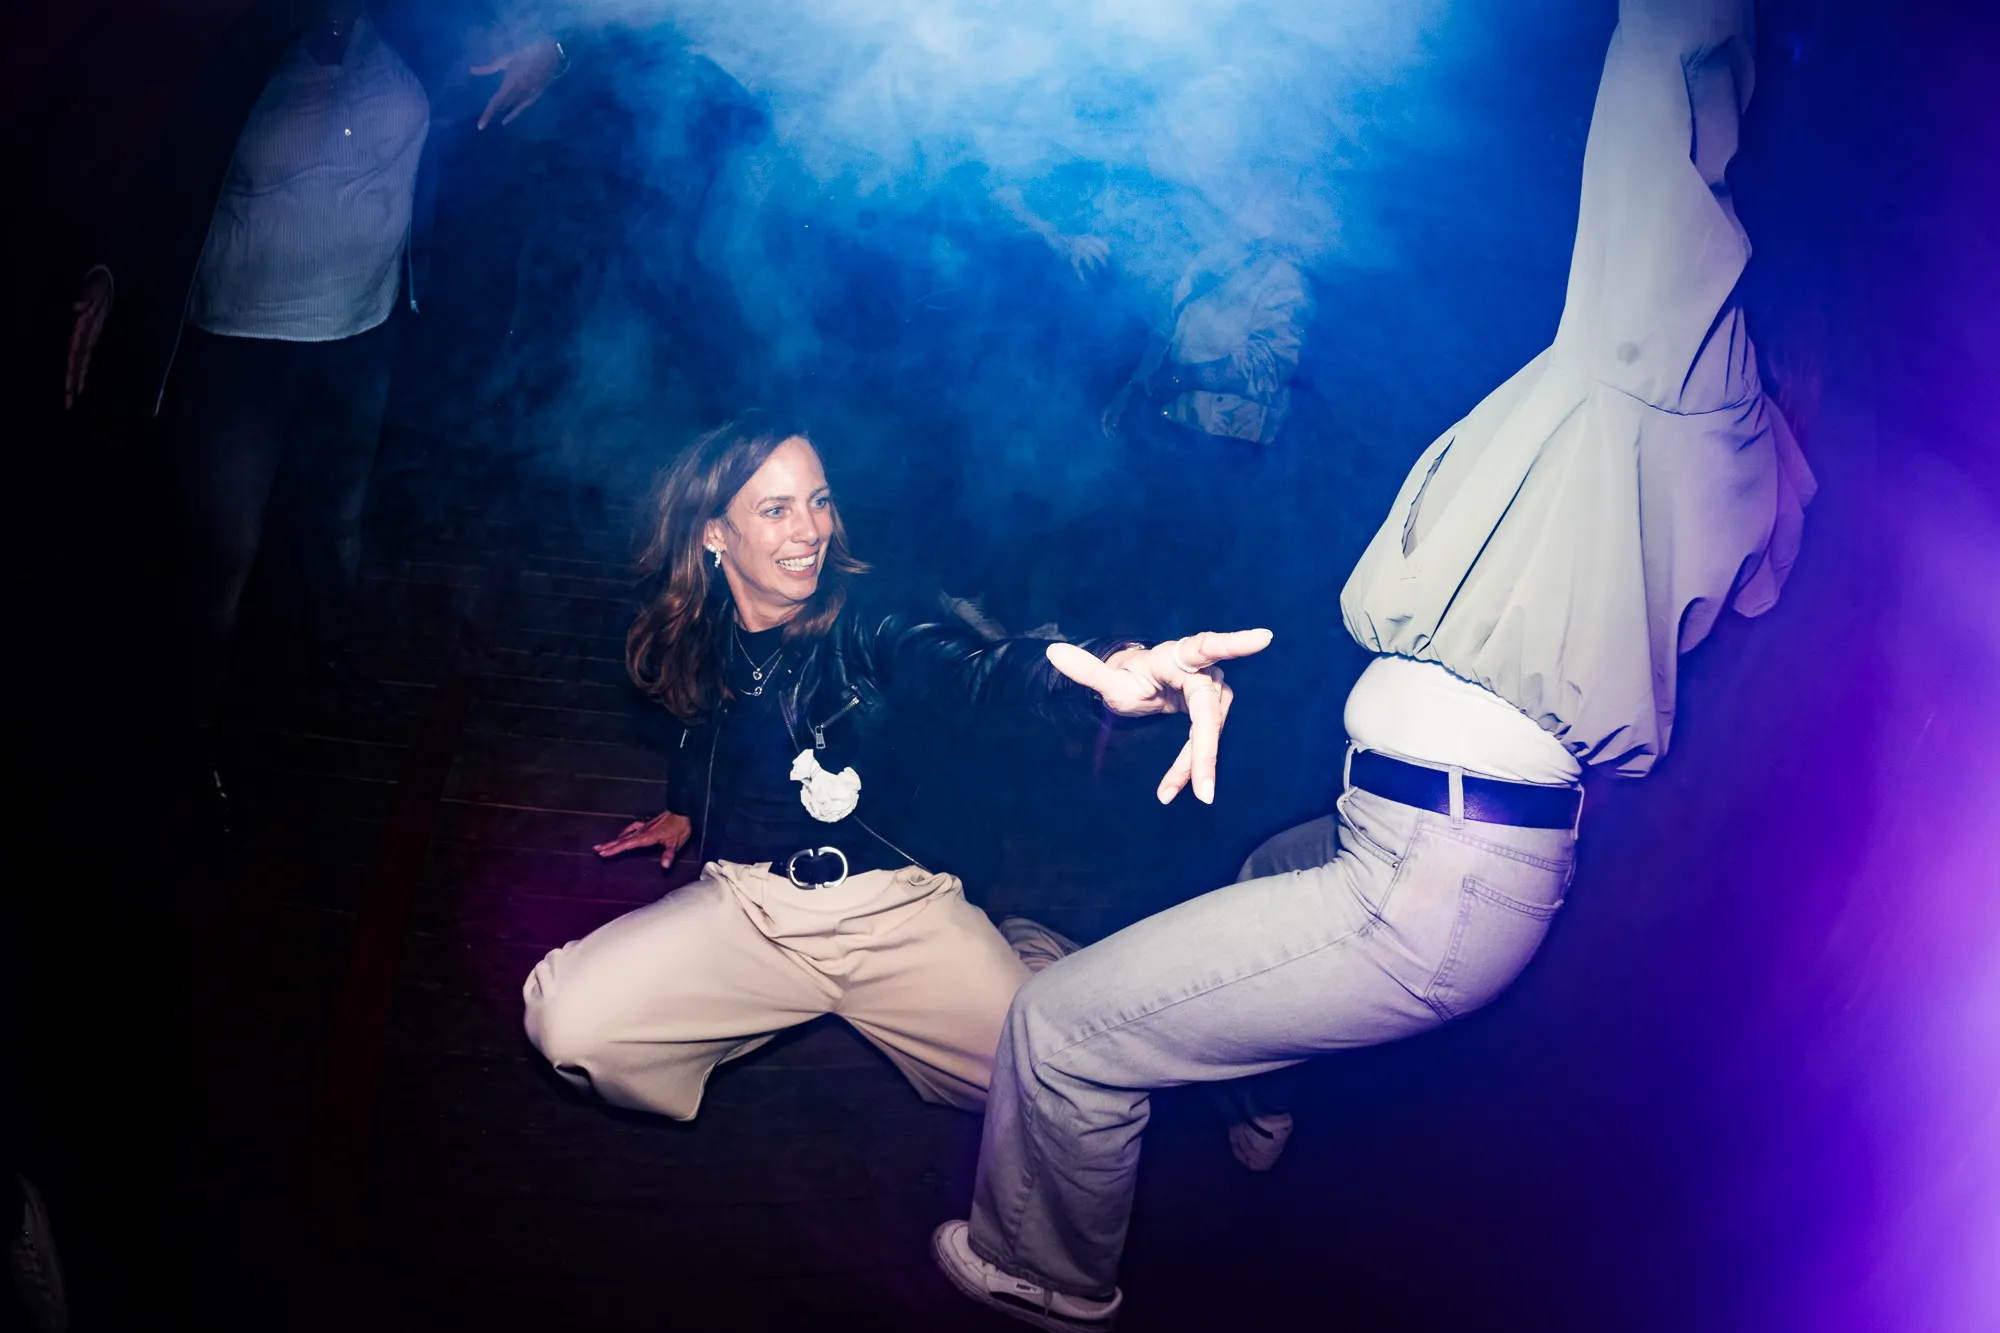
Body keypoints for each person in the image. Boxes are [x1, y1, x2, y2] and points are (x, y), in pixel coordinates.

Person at [931, 1, 1816, 1326]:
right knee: (1261, 869)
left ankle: (1039, 1273)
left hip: (1436, 869)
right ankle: (1253, 1081)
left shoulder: (1644, 363)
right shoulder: (1734, 442)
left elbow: (1659, 82)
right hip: (1422, 836)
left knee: (1061, 1031)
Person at [521, 413, 1271, 1123]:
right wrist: (687, 804)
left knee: (1059, 1087)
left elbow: (975, 672)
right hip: (752, 904)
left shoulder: (869, 620)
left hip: (899, 906)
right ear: (715, 532)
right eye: (776, 510)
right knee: (572, 1026)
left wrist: (1114, 669)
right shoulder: (700, 627)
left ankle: (1039, 958)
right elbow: (701, 723)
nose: (810, 530)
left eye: (818, 500)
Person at [59, 0, 567, 816]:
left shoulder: (415, 34)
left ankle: (320, 677)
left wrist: (555, 49)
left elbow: (552, 48)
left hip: (359, 335)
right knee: (224, 553)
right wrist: (107, 269)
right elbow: (159, 163)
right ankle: (186, 745)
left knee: (335, 525)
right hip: (238, 345)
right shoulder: (247, 47)